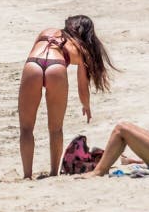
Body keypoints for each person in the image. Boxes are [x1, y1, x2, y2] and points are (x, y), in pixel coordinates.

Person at [18, 15, 116, 179]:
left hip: (33, 64)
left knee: (26, 128)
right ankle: (53, 173)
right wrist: (86, 105)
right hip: (56, 67)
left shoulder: (47, 31)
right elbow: (82, 85)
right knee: (55, 129)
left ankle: (27, 175)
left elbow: (34, 50)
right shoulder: (80, 49)